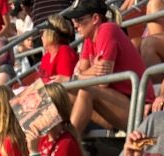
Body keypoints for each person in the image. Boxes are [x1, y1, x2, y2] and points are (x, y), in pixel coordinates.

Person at [66, 0, 154, 133]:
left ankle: (68, 144)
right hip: (116, 102)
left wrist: (81, 75)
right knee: (66, 93)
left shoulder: (107, 29)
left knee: (86, 90)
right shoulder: (89, 38)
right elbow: (80, 74)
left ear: (95, 18)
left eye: (79, 19)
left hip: (139, 106)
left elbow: (102, 83)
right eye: (74, 20)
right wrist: (86, 73)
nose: (75, 25)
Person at [38, 14, 78, 81]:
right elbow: (40, 83)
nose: (41, 36)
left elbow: (67, 86)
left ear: (51, 34)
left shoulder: (65, 52)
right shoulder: (46, 57)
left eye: (42, 32)